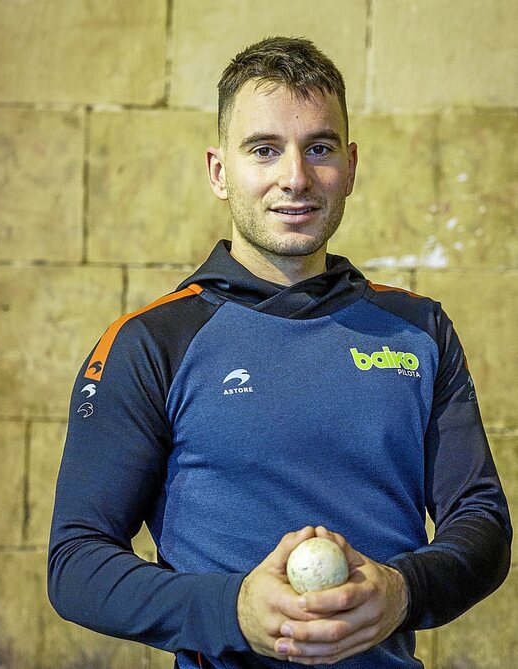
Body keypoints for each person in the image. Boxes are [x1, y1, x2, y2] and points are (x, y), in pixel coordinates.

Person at [48, 37, 512, 669]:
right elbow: (77, 563)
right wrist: (233, 610)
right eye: (263, 149)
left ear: (351, 165)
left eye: (319, 148)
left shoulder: (419, 330)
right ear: (219, 171)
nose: (295, 178)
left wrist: (403, 591)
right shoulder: (151, 342)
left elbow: (482, 524)